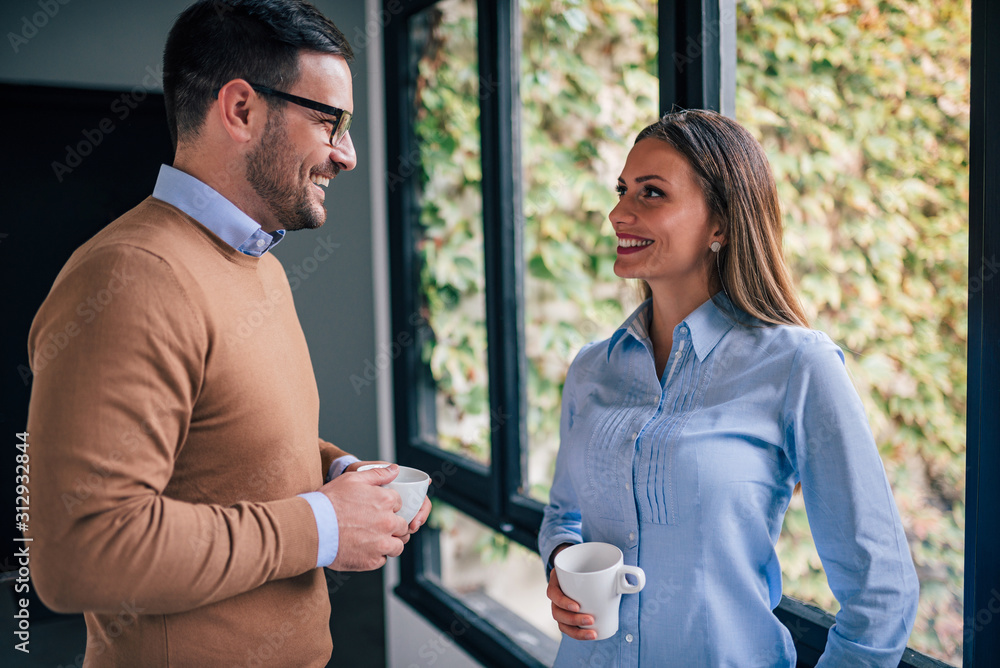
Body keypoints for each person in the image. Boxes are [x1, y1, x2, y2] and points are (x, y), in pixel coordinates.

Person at [25, 1, 430, 665]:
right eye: (329, 121)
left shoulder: (255, 263)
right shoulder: (132, 275)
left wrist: (341, 474)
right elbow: (80, 551)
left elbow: (220, 441)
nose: (348, 155)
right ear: (241, 110)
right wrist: (324, 525)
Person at [539, 109, 919, 666]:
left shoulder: (799, 366)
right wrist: (561, 564)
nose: (618, 212)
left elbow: (881, 591)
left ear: (719, 223)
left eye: (651, 193)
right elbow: (562, 516)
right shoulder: (592, 368)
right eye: (622, 190)